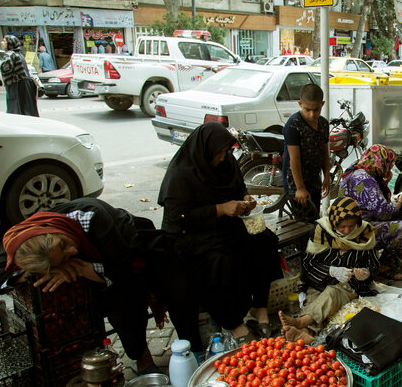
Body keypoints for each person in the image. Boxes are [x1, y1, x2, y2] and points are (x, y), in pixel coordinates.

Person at [1, 198, 179, 375]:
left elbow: (123, 270)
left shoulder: (93, 216)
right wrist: (50, 271)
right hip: (97, 277)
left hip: (129, 253)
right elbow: (0, 274)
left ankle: (142, 357)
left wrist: (87, 269)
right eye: (64, 257)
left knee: (121, 299)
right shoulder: (22, 240)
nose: (71, 251)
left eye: (63, 244)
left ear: (51, 230)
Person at [158, 122, 283, 342]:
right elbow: (178, 219)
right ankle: (232, 321)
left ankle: (260, 307)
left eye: (226, 152)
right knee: (219, 259)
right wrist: (220, 209)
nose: (223, 158)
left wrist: (245, 200)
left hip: (226, 226)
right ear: (204, 151)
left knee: (264, 241)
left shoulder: (227, 163)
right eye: (218, 153)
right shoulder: (182, 175)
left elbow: (238, 188)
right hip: (191, 235)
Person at [278, 197, 379, 344]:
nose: (347, 231)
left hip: (347, 286)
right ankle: (304, 333)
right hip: (319, 282)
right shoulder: (321, 230)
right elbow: (308, 263)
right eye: (342, 226)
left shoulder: (365, 233)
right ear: (333, 222)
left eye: (351, 226)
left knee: (331, 294)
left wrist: (365, 273)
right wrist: (330, 270)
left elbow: (373, 265)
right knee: (314, 300)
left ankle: (300, 322)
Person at [340, 145, 402, 280]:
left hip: (364, 221)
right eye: (388, 165)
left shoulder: (360, 170)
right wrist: (399, 203)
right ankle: (383, 264)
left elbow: (376, 205)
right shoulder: (365, 179)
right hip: (358, 230)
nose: (389, 169)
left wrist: (384, 182)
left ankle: (401, 253)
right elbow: (384, 213)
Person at [282, 83, 330, 214]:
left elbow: (325, 152)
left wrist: (327, 176)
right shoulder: (293, 125)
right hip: (296, 181)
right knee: (302, 222)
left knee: (314, 216)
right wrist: (300, 188)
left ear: (322, 104)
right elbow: (294, 159)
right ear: (300, 104)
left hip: (314, 178)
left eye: (316, 109)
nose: (312, 114)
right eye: (307, 109)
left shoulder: (323, 124)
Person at [0, 36, 39, 117]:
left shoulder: (10, 54)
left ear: (10, 43)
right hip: (25, 84)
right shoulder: (19, 54)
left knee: (17, 108)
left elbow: (6, 69)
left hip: (17, 85)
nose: (1, 43)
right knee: (27, 108)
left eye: (4, 41)